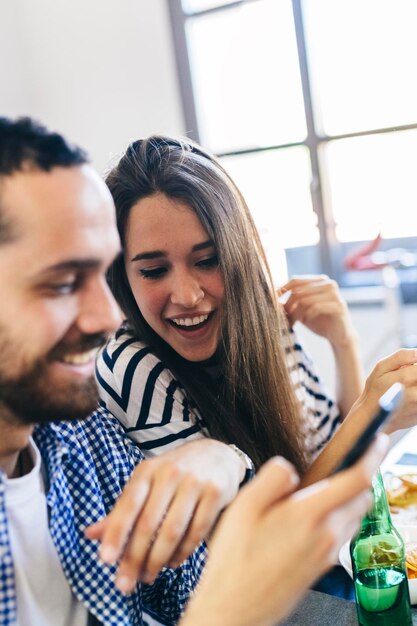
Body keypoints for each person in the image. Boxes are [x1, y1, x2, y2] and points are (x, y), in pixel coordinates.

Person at [0, 117, 410, 626]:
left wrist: (223, 457)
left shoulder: (79, 438)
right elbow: (232, 581)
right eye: (62, 283)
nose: (107, 317)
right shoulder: (119, 379)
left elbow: (181, 588)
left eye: (209, 259)